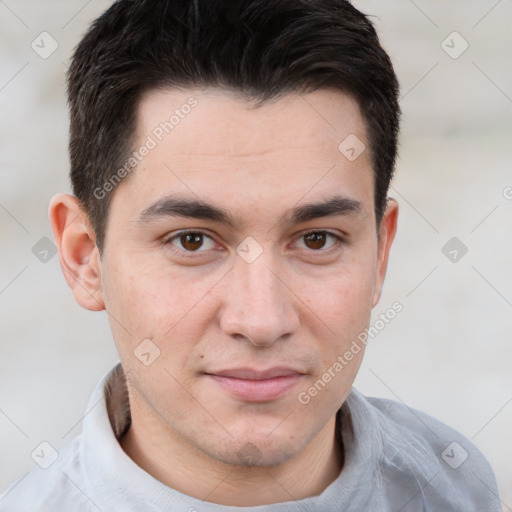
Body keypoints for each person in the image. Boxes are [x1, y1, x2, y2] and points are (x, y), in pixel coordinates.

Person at [0, 0, 502, 510]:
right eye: (191, 241)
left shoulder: (457, 485)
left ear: (379, 253)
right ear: (85, 257)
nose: (262, 321)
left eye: (317, 239)